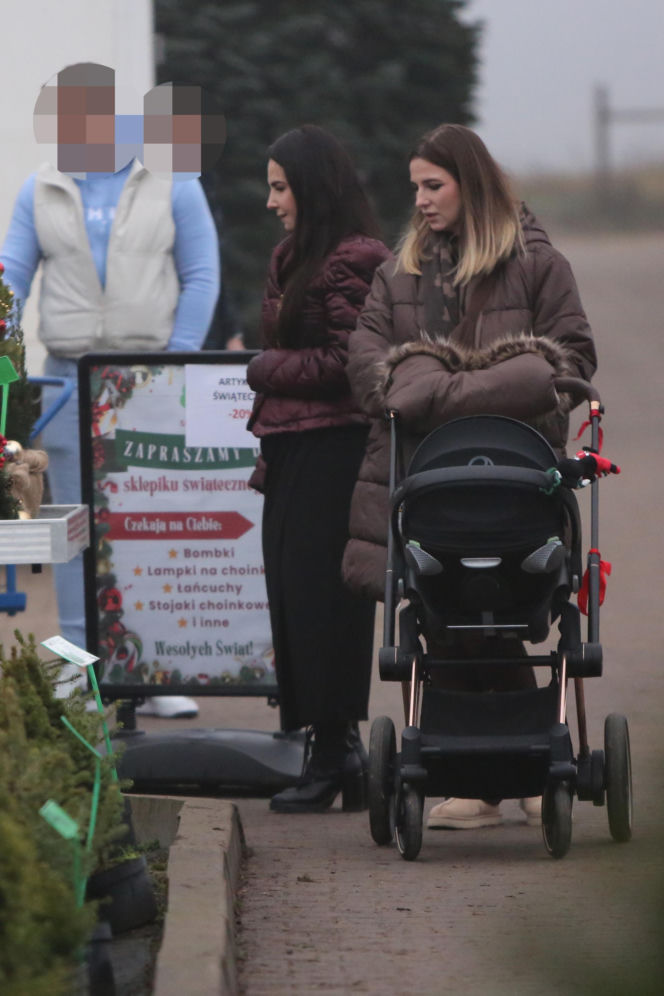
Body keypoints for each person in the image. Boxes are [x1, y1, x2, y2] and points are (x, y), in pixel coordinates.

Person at [342, 123, 597, 829]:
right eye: (415, 187)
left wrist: (438, 390)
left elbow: (571, 360)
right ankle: (491, 777)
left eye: (434, 185)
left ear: (471, 185)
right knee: (446, 615)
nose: (420, 201)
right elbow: (365, 361)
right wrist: (485, 382)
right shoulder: (398, 276)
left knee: (496, 613)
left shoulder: (538, 266)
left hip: (516, 485)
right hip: (426, 490)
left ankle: (502, 776)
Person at [0, 64, 220, 716]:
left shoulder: (174, 180)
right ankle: (78, 671)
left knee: (145, 523)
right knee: (72, 529)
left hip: (146, 378)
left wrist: (176, 367)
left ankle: (153, 674)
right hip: (67, 379)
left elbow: (202, 277)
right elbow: (10, 282)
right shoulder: (38, 189)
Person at [246, 125, 391, 813]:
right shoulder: (293, 254)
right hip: (291, 448)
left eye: (280, 186)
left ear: (312, 186)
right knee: (293, 597)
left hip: (335, 450)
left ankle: (337, 752)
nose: (272, 200)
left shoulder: (353, 259)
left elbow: (351, 363)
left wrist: (264, 367)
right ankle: (331, 750)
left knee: (324, 602)